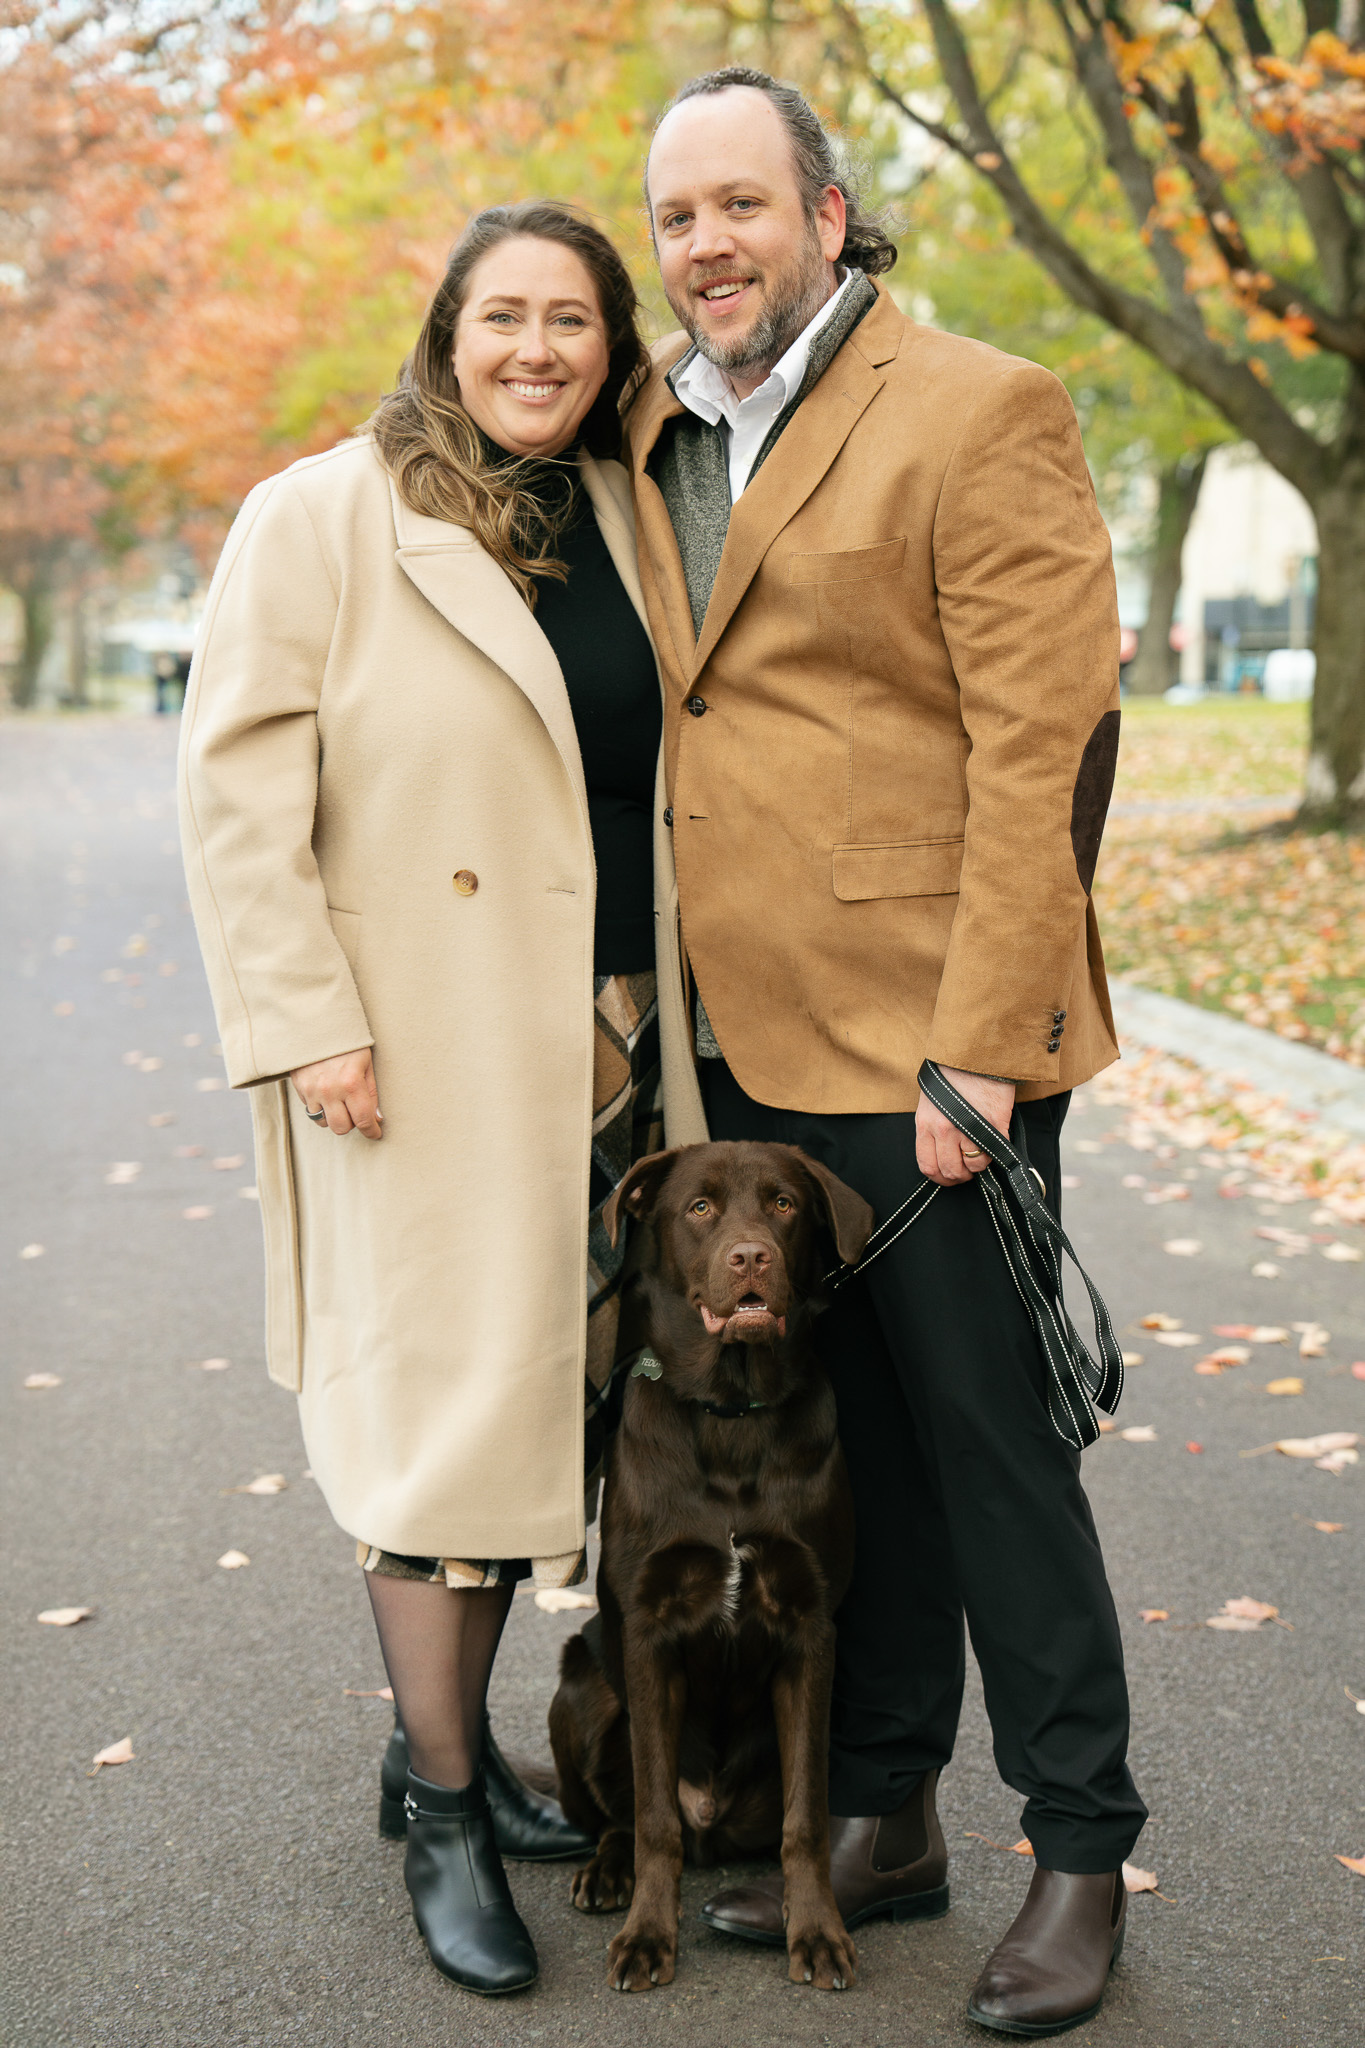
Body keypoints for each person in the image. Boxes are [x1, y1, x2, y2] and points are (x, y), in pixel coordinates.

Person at [627, 69, 1147, 2037]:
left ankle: (1080, 1847)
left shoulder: (974, 408)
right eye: (675, 216)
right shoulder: (662, 419)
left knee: (992, 1456)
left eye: (739, 205)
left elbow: (1039, 749)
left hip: (931, 1057)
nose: (704, 246)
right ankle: (883, 1809)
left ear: (828, 217)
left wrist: (981, 1057)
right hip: (741, 1057)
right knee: (862, 1467)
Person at [178, 200, 707, 1999]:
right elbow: (237, 789)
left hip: (634, 1042)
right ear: (446, 330)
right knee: (442, 1418)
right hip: (418, 1048)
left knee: (566, 1408)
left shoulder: (645, 513)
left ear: (612, 342)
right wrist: (308, 1022)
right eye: (503, 317)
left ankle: (459, 1762)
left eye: (571, 319)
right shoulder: (323, 514)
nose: (536, 350)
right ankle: (447, 1795)